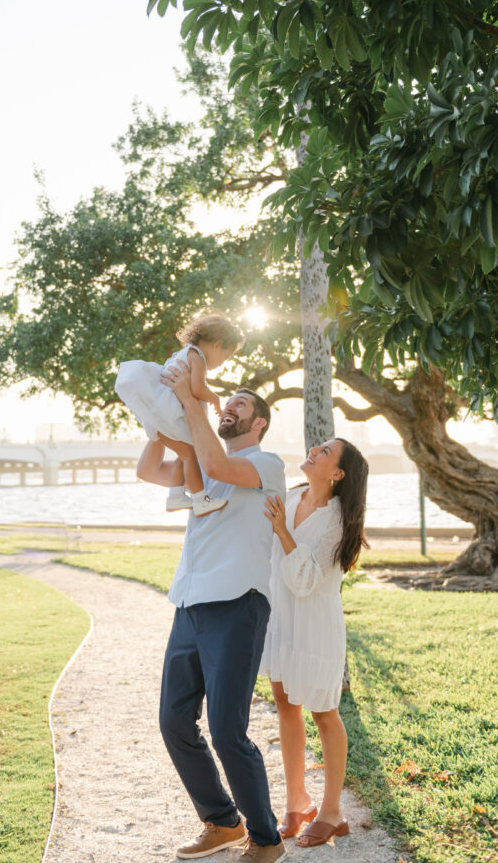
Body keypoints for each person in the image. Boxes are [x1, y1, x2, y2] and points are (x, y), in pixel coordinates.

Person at [136, 367, 287, 863]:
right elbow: (149, 472)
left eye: (241, 405)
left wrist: (193, 401)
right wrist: (158, 426)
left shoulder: (267, 464)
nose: (231, 406)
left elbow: (220, 468)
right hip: (190, 603)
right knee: (174, 721)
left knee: (227, 731)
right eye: (230, 402)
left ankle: (266, 839)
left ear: (260, 423)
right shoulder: (200, 460)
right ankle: (221, 822)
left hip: (238, 604)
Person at [260, 438, 369, 849]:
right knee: (286, 708)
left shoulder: (337, 519)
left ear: (337, 473)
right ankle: (296, 802)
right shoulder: (289, 497)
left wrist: (283, 532)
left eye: (325, 452)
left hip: (316, 626)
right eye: (318, 447)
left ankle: (332, 813)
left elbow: (305, 581)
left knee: (325, 715)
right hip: (281, 621)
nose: (315, 451)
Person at [116, 313, 244, 517]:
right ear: (217, 345)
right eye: (225, 357)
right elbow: (197, 388)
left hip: (161, 416)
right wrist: (215, 399)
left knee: (184, 455)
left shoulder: (182, 354)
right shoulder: (197, 357)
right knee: (189, 454)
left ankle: (176, 496)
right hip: (166, 416)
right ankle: (200, 499)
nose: (222, 363)